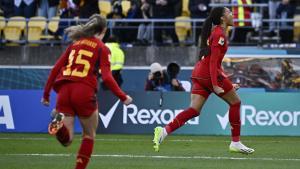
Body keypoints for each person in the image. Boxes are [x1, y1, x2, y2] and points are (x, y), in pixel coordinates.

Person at [152, 7, 255, 154]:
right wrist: (215, 84)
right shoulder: (219, 34)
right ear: (222, 18)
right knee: (236, 103)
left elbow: (215, 62)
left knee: (194, 110)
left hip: (200, 73)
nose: (233, 15)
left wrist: (225, 82)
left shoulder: (216, 33)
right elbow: (213, 63)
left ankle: (163, 131)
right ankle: (235, 143)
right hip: (208, 75)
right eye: (229, 13)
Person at [41, 14, 133, 169]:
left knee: (67, 140)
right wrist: (123, 97)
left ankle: (59, 124)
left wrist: (46, 95)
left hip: (64, 91)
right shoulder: (102, 47)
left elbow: (55, 69)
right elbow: (107, 78)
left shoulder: (74, 44)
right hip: (83, 90)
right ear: (104, 30)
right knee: (89, 135)